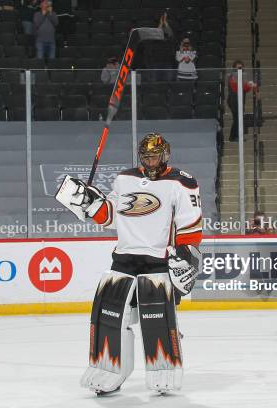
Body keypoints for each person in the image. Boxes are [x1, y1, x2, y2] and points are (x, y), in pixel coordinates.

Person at [55, 133, 202, 396]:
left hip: (158, 259)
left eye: (155, 155)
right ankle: (109, 370)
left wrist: (186, 255)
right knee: (108, 315)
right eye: (145, 156)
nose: (150, 160)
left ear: (166, 154)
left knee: (155, 317)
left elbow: (190, 226)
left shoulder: (182, 182)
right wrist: (90, 202)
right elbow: (111, 216)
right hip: (123, 257)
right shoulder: (125, 179)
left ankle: (164, 367)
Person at [227, 59, 258, 141]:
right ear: (234, 68)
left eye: (241, 68)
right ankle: (234, 136)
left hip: (240, 100)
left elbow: (245, 89)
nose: (240, 69)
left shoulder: (242, 77)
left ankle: (234, 136)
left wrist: (250, 85)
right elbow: (236, 88)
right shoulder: (232, 77)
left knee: (238, 118)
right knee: (237, 118)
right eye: (238, 68)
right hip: (234, 100)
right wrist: (249, 85)